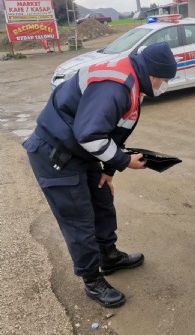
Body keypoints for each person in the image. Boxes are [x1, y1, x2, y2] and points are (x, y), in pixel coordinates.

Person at [23, 42, 177, 308]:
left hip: (83, 152)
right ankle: (92, 280)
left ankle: (108, 256)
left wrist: (109, 170)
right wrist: (124, 161)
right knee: (79, 220)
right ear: (152, 74)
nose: (163, 85)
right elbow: (90, 134)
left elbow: (113, 131)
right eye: (163, 80)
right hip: (56, 155)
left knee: (103, 203)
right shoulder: (115, 86)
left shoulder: (134, 81)